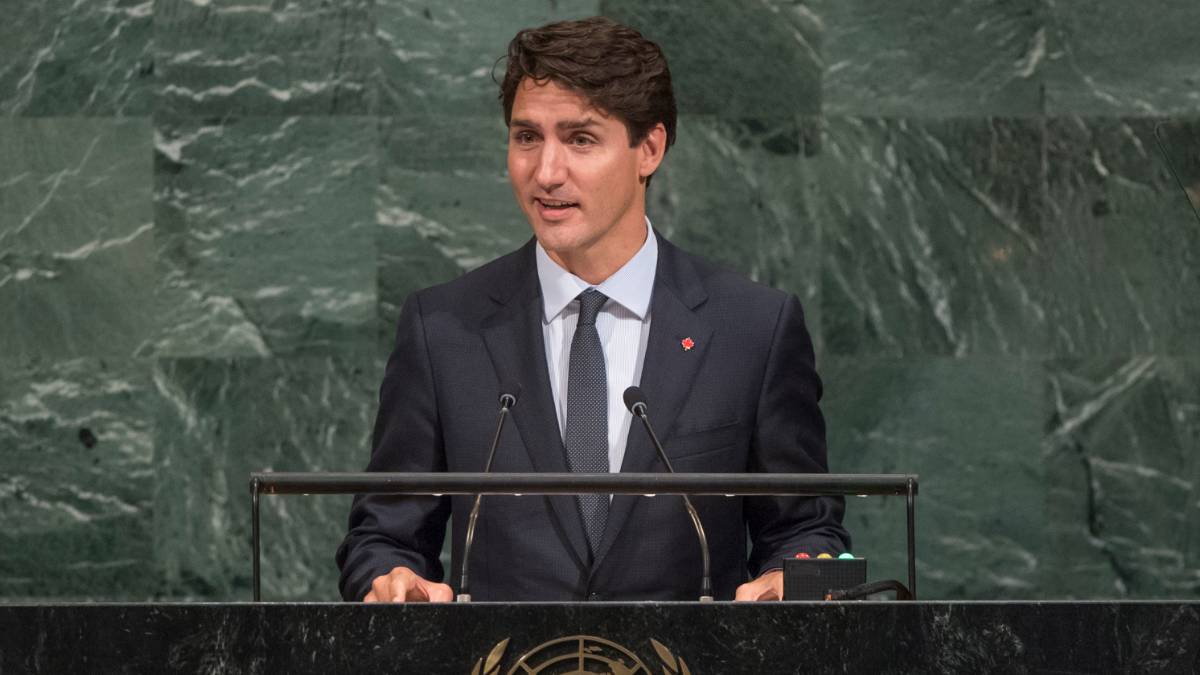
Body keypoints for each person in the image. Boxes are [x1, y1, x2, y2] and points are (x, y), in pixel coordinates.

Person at [336, 16, 849, 603]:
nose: (546, 172)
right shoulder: (443, 330)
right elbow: (378, 539)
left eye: (580, 139)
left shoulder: (753, 328)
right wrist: (390, 582)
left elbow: (822, 541)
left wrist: (802, 582)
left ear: (648, 149)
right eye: (527, 137)